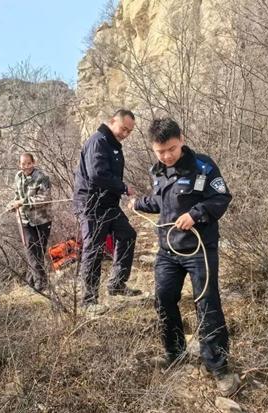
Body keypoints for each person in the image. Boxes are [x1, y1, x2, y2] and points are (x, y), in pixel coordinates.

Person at [128, 117, 239, 396]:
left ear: (182, 140)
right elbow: (162, 201)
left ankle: (219, 367)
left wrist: (195, 214)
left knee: (207, 304)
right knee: (164, 299)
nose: (167, 156)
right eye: (160, 151)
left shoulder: (203, 166)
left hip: (200, 249)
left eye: (171, 149)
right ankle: (174, 352)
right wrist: (137, 203)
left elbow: (221, 198)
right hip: (168, 251)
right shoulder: (157, 171)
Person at [73, 109, 141, 309]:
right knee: (93, 248)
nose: (125, 134)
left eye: (129, 131)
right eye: (123, 128)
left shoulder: (113, 145)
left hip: (109, 204)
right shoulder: (98, 141)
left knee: (127, 234)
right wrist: (123, 187)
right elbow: (98, 174)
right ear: (112, 121)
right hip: (91, 205)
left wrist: (119, 190)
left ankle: (117, 284)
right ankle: (89, 301)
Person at [8, 153, 52, 292]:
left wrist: (23, 202)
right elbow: (17, 195)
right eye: (23, 164)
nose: (26, 166)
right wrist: (12, 204)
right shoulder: (18, 177)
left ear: (33, 162)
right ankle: (40, 283)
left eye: (28, 163)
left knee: (39, 251)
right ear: (19, 164)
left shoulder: (42, 177)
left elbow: (44, 198)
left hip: (42, 219)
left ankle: (31, 280)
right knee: (31, 249)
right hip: (24, 219)